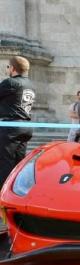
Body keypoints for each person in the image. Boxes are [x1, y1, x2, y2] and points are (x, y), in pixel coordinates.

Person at [0, 56, 35, 188]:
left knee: (5, 163)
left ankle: (3, 195)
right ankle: (18, 190)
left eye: (8, 67)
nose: (7, 69)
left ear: (13, 68)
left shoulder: (10, 82)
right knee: (19, 163)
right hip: (25, 126)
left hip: (11, 127)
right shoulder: (31, 84)